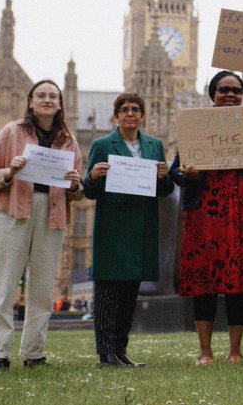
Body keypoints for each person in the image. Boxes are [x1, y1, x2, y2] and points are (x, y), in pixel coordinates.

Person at [169, 71, 243, 366]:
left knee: (238, 281)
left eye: (236, 91)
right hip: (204, 214)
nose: (230, 95)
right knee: (204, 282)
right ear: (212, 94)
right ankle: (205, 352)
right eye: (224, 90)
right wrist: (187, 175)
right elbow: (176, 171)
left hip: (242, 213)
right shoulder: (196, 128)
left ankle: (235, 351)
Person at [0, 79, 84, 371]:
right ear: (30, 101)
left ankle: (34, 354)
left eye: (53, 96)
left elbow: (76, 192)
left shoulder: (69, 141)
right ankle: (0, 355)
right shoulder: (12, 132)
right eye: (41, 95)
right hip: (12, 212)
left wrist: (76, 185)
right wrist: (10, 171)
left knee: (42, 290)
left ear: (61, 103)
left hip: (51, 214)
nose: (47, 100)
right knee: (2, 287)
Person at [83, 92, 175, 367]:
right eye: (125, 110)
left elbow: (166, 190)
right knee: (107, 294)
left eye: (135, 109)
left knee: (128, 296)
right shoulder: (102, 145)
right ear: (116, 116)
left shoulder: (154, 145)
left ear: (142, 116)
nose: (130, 113)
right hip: (113, 227)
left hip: (142, 226)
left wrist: (164, 177)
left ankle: (120, 351)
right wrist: (93, 176)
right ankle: (106, 353)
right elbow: (89, 190)